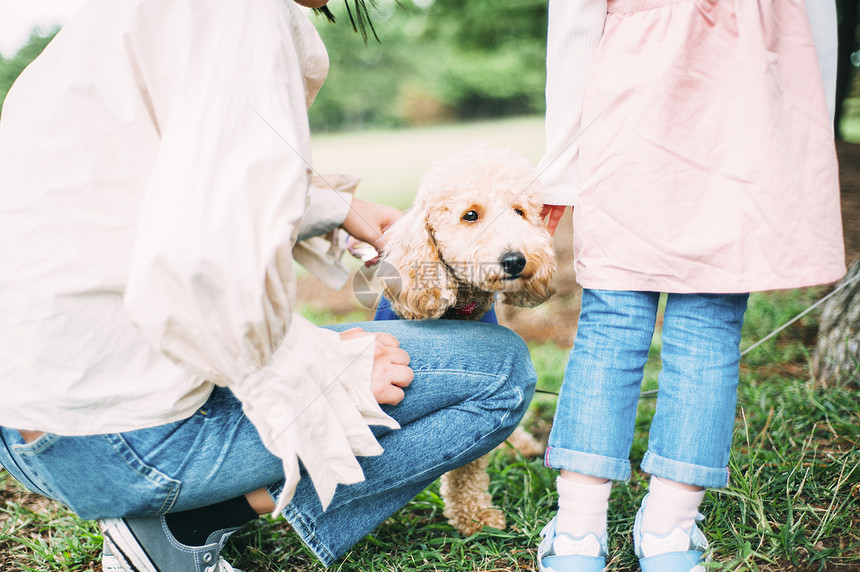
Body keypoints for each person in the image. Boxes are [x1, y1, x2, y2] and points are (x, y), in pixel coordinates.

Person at [0, 1, 537, 570]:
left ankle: (178, 503)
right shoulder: (241, 15)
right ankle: (191, 521)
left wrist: (338, 206)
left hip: (28, 424)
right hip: (124, 444)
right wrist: (322, 371)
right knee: (499, 371)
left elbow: (160, 185)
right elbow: (198, 263)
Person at [535, 1, 845, 571]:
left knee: (612, 322)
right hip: (746, 118)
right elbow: (814, 24)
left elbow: (576, 25)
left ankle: (578, 536)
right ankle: (669, 536)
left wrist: (559, 165)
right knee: (708, 329)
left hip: (628, 112)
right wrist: (806, 134)